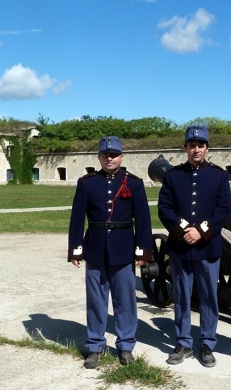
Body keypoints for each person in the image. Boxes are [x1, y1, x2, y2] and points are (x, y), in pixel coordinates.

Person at [67, 136, 152, 369]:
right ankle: (95, 345)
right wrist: (76, 249)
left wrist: (143, 251)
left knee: (125, 300)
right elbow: (77, 218)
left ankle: (125, 345)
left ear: (122, 156)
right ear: (99, 157)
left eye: (114, 154)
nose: (110, 158)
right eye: (105, 155)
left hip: (124, 248)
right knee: (96, 300)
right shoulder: (87, 183)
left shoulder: (133, 183)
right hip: (94, 248)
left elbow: (143, 219)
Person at [157, 124, 231, 368]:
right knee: (181, 296)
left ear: (207, 148)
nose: (196, 150)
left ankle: (207, 343)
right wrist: (182, 231)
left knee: (209, 296)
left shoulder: (219, 176)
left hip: (207, 248)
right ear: (186, 148)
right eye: (192, 145)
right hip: (180, 247)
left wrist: (201, 231)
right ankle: (184, 342)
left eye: (200, 145)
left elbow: (223, 210)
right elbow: (165, 209)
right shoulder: (172, 176)